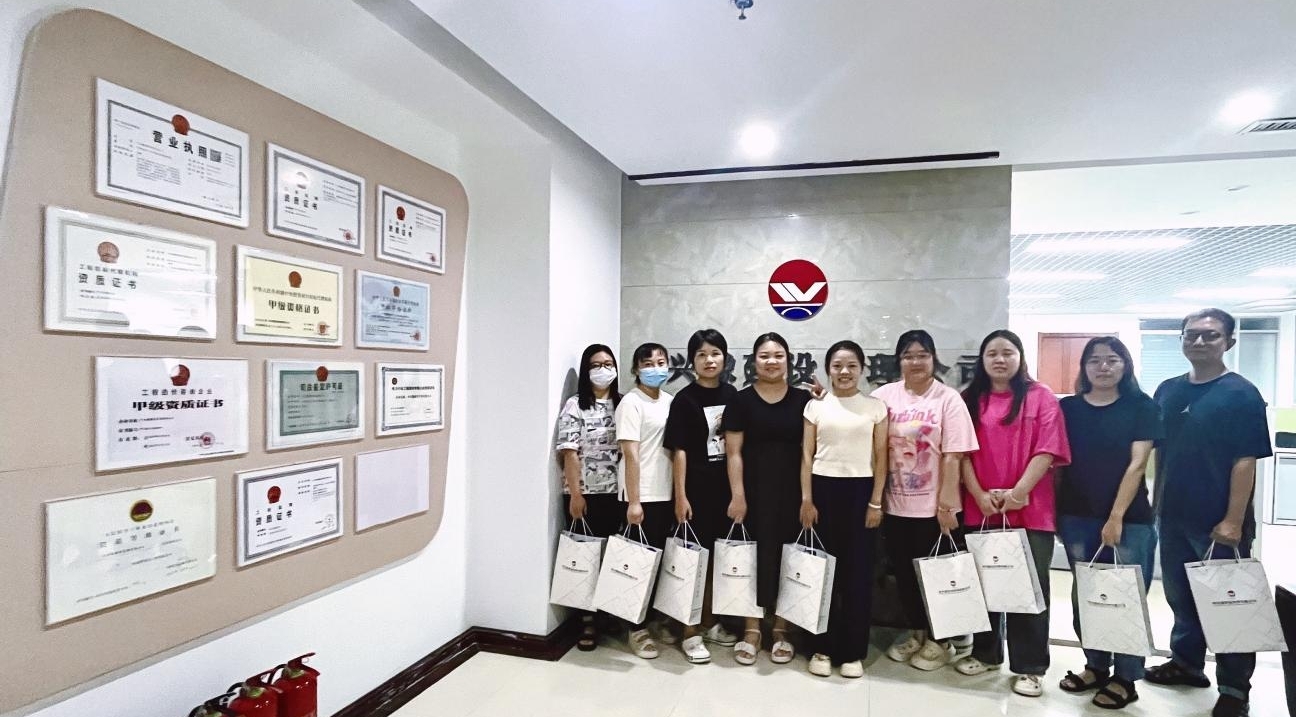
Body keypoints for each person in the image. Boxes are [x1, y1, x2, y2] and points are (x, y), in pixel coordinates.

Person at [1145, 308, 1273, 717]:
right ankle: (1186, 664)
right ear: (1181, 339)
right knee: (1181, 598)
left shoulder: (1241, 394)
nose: (1199, 341)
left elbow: (1245, 460)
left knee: (1230, 604)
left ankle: (1235, 689)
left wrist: (1233, 520)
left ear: (1228, 342)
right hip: (1173, 515)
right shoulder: (1168, 390)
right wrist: (1154, 505)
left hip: (1219, 521)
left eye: (1211, 335)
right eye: (1191, 334)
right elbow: (1158, 453)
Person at [955, 329, 1071, 698]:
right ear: (982, 360)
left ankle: (1030, 666)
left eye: (1008, 352)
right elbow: (960, 453)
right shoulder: (969, 399)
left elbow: (1048, 450)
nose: (1000, 359)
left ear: (1020, 357)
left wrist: (1019, 492)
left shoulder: (1041, 397)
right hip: (981, 506)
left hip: (1030, 508)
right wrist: (977, 494)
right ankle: (986, 653)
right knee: (986, 582)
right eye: (992, 353)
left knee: (1029, 588)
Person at [1056, 337, 1162, 709]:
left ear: (1125, 365)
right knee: (1088, 596)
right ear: (1084, 367)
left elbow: (1137, 464)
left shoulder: (1142, 406)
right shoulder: (1068, 408)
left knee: (1125, 598)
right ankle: (1096, 666)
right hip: (1076, 516)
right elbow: (1059, 462)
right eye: (1095, 360)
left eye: (1112, 360)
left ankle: (1126, 677)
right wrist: (1056, 513)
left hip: (1129, 520)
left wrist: (1115, 516)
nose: (1103, 367)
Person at [872, 330, 979, 671]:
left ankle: (941, 640)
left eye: (922, 355)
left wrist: (946, 506)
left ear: (934, 359)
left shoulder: (948, 399)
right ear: (898, 360)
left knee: (937, 576)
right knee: (905, 576)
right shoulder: (884, 396)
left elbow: (954, 455)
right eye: (908, 355)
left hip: (934, 509)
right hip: (895, 506)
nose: (915, 362)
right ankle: (917, 632)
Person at [799, 340, 889, 678]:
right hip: (822, 491)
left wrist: (876, 501)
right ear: (828, 370)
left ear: (862, 369)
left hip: (861, 493)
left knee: (858, 575)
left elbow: (881, 457)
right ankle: (820, 647)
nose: (844, 371)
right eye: (837, 365)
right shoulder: (815, 407)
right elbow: (806, 456)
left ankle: (852, 652)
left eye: (851, 365)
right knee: (822, 573)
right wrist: (807, 500)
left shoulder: (875, 408)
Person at [723, 332, 811, 666]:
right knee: (752, 557)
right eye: (764, 356)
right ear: (753, 361)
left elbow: (810, 452)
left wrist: (807, 498)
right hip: (753, 492)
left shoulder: (804, 400)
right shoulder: (741, 401)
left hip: (793, 493)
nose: (771, 361)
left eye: (778, 355)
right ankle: (751, 629)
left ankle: (781, 630)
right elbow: (734, 453)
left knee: (790, 558)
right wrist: (738, 495)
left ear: (788, 360)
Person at [664, 329, 741, 663]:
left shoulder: (732, 394)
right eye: (701, 355)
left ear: (725, 357)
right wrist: (680, 496)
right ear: (692, 361)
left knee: (716, 561)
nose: (709, 360)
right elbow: (678, 451)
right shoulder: (684, 399)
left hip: (725, 491)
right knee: (691, 562)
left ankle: (709, 622)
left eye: (715, 353)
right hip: (695, 491)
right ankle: (689, 631)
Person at [555, 343, 624, 652]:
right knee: (585, 557)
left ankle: (609, 614)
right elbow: (569, 453)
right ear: (586, 371)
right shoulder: (575, 405)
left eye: (608, 364)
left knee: (612, 556)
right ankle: (587, 620)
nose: (603, 370)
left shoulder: (623, 403)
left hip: (617, 494)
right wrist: (576, 495)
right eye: (596, 365)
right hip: (584, 495)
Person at [615, 342, 675, 660]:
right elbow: (631, 454)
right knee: (636, 564)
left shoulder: (670, 401)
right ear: (636, 369)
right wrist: (634, 501)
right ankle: (634, 628)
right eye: (648, 363)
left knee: (659, 563)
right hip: (641, 496)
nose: (655, 368)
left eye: (661, 362)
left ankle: (652, 620)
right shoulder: (631, 403)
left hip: (666, 493)